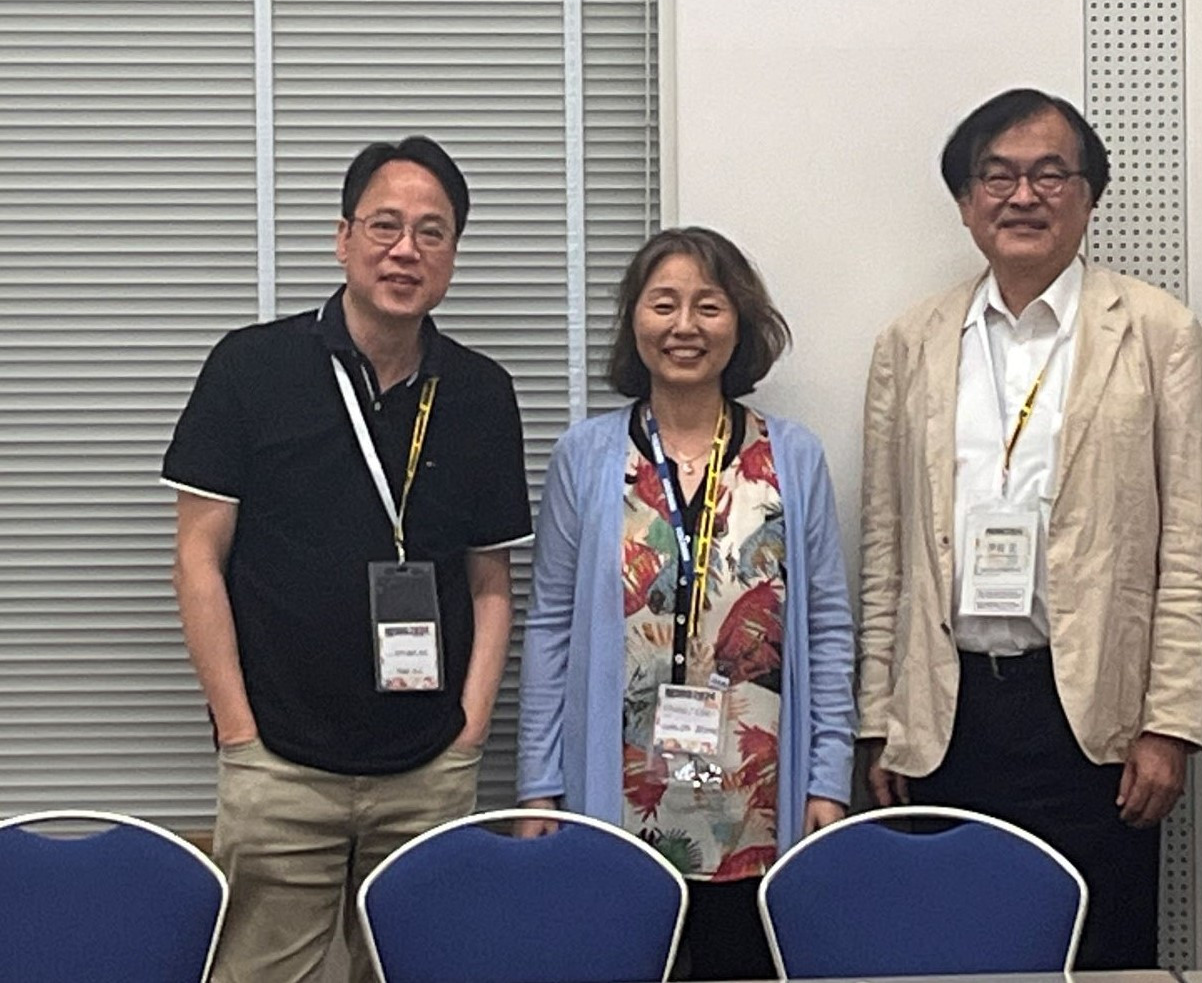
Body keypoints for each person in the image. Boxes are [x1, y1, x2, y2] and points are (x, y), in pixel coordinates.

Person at [856, 87, 1202, 969]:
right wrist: (879, 715)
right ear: (965, 201)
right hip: (945, 709)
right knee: (951, 950)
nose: (1022, 196)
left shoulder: (1157, 332)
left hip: (1094, 714)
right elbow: (884, 544)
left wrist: (1169, 723)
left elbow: (1187, 548)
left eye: (1050, 174)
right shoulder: (910, 340)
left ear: (1088, 196)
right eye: (997, 176)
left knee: (1097, 952)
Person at [162, 135, 531, 983]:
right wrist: (239, 731)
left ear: (452, 253)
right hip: (280, 763)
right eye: (384, 225)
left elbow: (490, 583)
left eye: (431, 232)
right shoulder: (251, 367)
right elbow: (196, 557)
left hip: (427, 767)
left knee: (417, 969)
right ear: (343, 237)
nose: (406, 250)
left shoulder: (481, 392)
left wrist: (467, 734)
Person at [515, 226, 855, 981]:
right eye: (663, 303)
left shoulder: (793, 457)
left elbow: (829, 627)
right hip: (620, 794)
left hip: (758, 800)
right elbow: (551, 627)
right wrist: (540, 784)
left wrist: (827, 777)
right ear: (634, 320)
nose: (684, 325)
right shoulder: (586, 456)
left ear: (740, 322)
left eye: (708, 305)